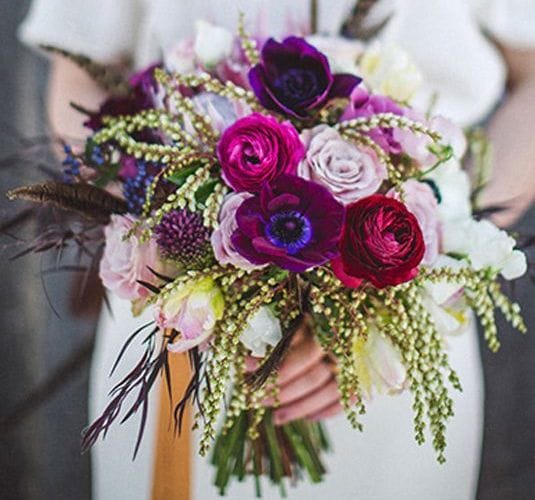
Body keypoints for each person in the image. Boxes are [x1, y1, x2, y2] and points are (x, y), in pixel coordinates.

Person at [19, 1, 535, 499]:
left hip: (401, 325)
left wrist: (431, 250)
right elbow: (78, 76)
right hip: (177, 314)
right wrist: (152, 227)